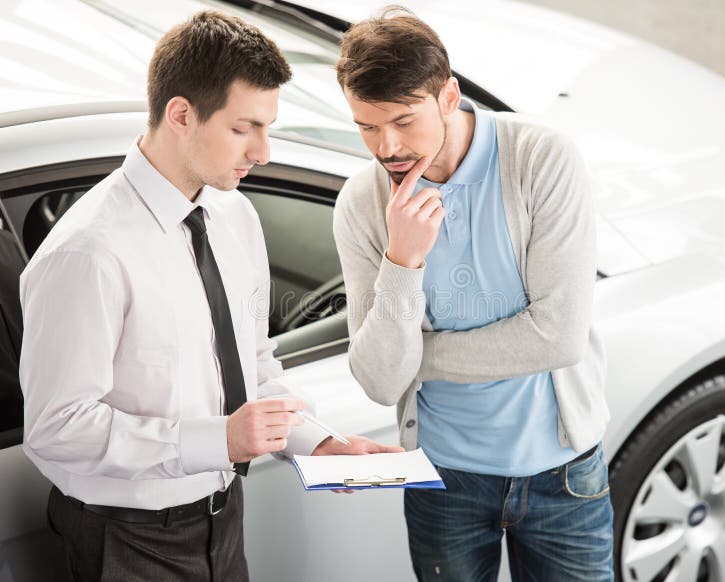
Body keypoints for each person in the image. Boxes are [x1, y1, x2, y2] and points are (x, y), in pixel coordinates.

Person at [19, 10, 398, 582]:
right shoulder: (88, 254)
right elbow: (57, 426)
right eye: (244, 128)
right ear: (181, 115)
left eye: (267, 127)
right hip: (125, 540)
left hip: (223, 521)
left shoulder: (233, 215)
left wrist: (319, 445)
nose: (264, 151)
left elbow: (254, 365)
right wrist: (216, 439)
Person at [332, 7, 613, 581]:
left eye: (404, 121)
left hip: (562, 473)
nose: (386, 147)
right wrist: (402, 260)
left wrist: (420, 361)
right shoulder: (363, 205)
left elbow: (557, 337)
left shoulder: (540, 159)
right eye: (366, 126)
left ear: (448, 95)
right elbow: (382, 380)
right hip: (444, 479)